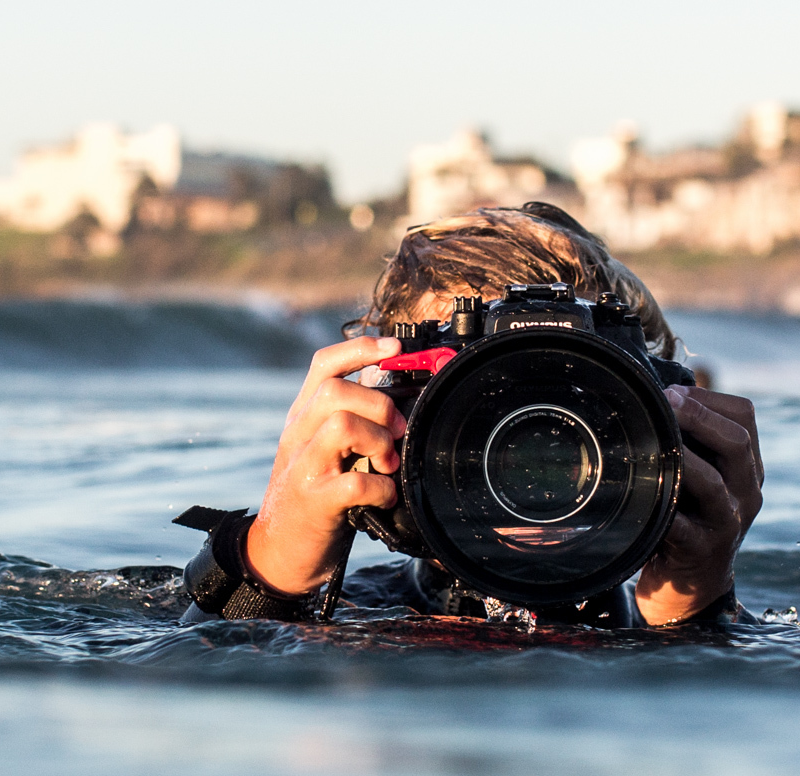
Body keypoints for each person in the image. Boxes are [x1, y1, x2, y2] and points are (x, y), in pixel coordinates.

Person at [177, 203, 764, 628]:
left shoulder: (356, 632)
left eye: (577, 417)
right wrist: (274, 557)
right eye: (479, 412)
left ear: (666, 430)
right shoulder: (355, 607)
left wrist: (692, 603)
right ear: (382, 419)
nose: (530, 465)